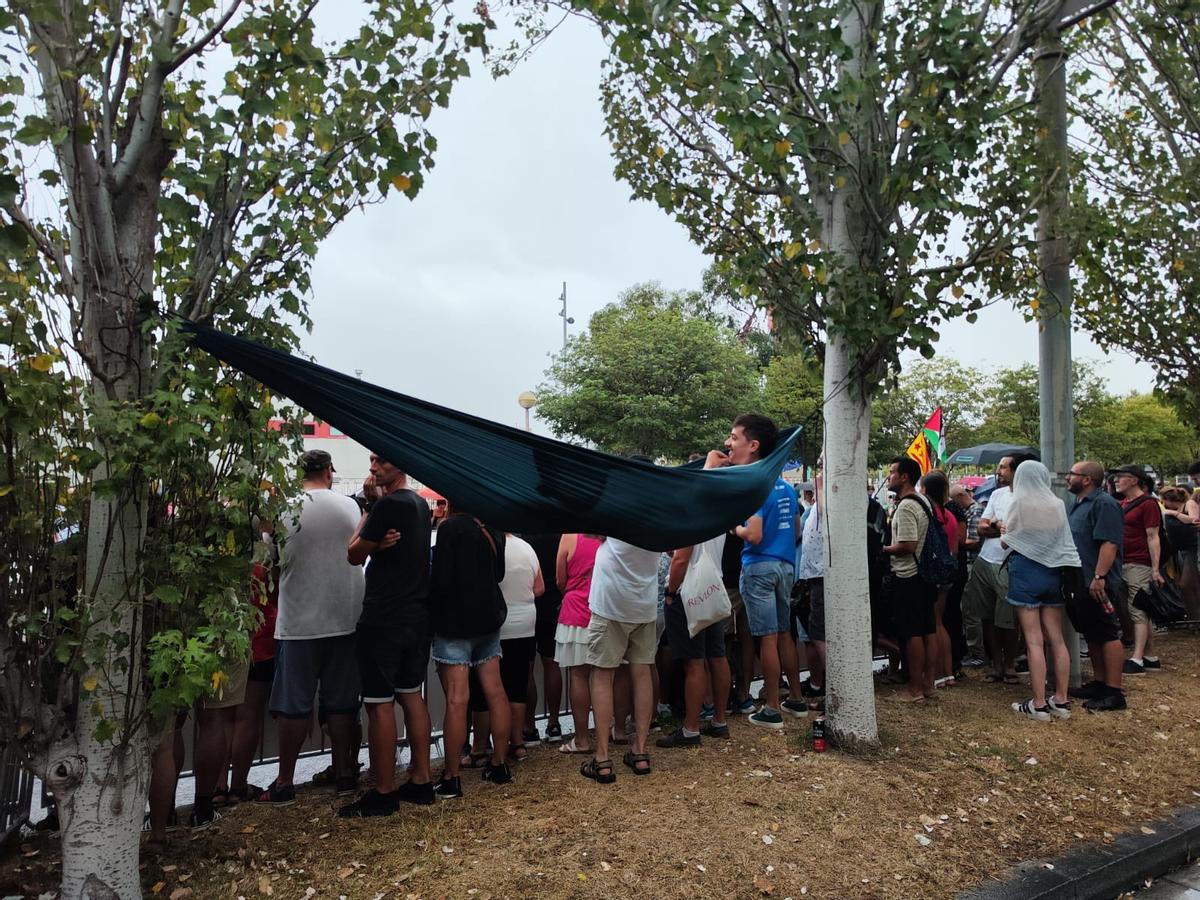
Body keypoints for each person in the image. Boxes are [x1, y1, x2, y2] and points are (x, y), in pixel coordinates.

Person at [256, 449, 365, 807]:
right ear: (330, 472)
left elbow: (270, 562)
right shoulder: (349, 507)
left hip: (299, 620)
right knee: (342, 703)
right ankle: (345, 774)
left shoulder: (283, 509)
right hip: (345, 616)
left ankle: (285, 780)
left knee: (293, 705)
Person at [341, 454, 434, 816]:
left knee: (379, 704)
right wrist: (376, 541)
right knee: (412, 695)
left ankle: (383, 791)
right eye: (370, 461)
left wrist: (367, 508)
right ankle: (422, 779)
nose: (373, 469)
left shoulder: (386, 505)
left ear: (399, 466)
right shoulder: (419, 505)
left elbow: (351, 553)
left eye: (380, 462)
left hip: (383, 617)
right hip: (416, 615)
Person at [706, 414, 807, 729]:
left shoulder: (753, 485)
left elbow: (754, 534)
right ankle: (796, 699)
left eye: (734, 437)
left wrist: (733, 527)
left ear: (753, 445)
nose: (728, 443)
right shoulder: (785, 487)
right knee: (781, 634)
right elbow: (796, 531)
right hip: (785, 566)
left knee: (765, 639)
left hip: (758, 567)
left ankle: (773, 708)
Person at [429, 505, 513, 799]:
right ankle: (499, 763)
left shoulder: (450, 529)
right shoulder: (493, 527)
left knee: (457, 699)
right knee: (496, 691)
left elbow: (439, 581)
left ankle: (452, 777)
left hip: (454, 624)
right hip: (488, 620)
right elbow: (499, 573)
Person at [1001, 461, 1079, 721]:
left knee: (1034, 640)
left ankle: (1038, 704)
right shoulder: (1057, 504)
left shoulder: (1019, 503)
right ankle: (1061, 699)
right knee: (1057, 638)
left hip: (1025, 573)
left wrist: (1004, 531)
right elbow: (1061, 539)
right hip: (1053, 573)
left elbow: (1006, 541)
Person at [581, 532, 661, 783]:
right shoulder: (659, 507)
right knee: (642, 673)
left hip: (611, 601)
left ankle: (603, 757)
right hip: (644, 601)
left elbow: (588, 530)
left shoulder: (618, 500)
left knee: (602, 676)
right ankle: (640, 750)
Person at [656, 540, 733, 748]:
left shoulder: (689, 512)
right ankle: (719, 720)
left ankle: (690, 728)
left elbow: (681, 558)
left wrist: (671, 593)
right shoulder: (717, 512)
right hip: (712, 586)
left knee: (694, 662)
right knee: (717, 656)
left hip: (687, 592)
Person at [1065, 460, 1127, 712]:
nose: (1068, 477)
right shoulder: (1078, 504)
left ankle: (1114, 691)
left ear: (1087, 479)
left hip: (1098, 581)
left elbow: (1109, 543)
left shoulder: (1105, 504)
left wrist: (1099, 576)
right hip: (1080, 579)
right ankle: (1100, 682)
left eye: (1072, 474)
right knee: (1092, 632)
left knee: (1107, 633)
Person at [961, 456, 1021, 684]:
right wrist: (998, 527)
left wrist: (1002, 529)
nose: (998, 471)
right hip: (986, 560)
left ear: (1016, 470)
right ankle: (996, 664)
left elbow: (1018, 533)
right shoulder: (997, 495)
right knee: (986, 615)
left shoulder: (1026, 497)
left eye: (1003, 467)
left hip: (1009, 563)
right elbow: (982, 528)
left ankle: (1010, 664)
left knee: (1007, 619)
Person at [882, 457, 937, 702]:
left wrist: (884, 549)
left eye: (893, 471)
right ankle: (928, 684)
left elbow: (907, 545)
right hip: (925, 574)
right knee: (927, 630)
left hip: (907, 574)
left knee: (913, 632)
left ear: (904, 477)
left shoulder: (905, 506)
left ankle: (914, 689)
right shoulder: (923, 500)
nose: (888, 476)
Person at [1111, 465, 1165, 674]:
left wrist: (1155, 569)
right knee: (1137, 609)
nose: (1116, 480)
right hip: (1123, 562)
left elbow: (1153, 536)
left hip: (1139, 564)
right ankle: (1150, 655)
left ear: (1134, 480)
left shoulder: (1149, 503)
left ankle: (1137, 658)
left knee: (1138, 610)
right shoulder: (1123, 503)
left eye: (1120, 477)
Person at [554, 533, 603, 754]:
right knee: (608, 674)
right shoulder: (607, 535)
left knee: (578, 674)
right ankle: (614, 730)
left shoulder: (569, 537)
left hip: (576, 611)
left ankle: (582, 737)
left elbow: (560, 579)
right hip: (603, 608)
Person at [497, 533, 544, 761]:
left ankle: (491, 742)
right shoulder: (527, 547)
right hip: (525, 623)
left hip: (498, 624)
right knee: (518, 685)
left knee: (494, 686)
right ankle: (518, 742)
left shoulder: (492, 545)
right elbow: (540, 588)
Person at [521, 532, 565, 744]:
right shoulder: (559, 535)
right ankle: (554, 723)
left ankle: (528, 726)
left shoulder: (525, 538)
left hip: (528, 606)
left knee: (527, 668)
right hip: (554, 605)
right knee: (552, 664)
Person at [919, 470, 958, 687]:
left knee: (934, 624)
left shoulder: (930, 514)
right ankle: (948, 671)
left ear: (924, 490)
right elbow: (954, 547)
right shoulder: (949, 515)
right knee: (940, 622)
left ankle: (937, 674)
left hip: (934, 572)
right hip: (948, 571)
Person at [950, 483, 985, 667]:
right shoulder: (970, 511)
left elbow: (974, 541)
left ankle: (976, 653)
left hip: (973, 563)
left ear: (961, 497)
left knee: (970, 610)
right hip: (969, 563)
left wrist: (956, 541)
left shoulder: (974, 511)